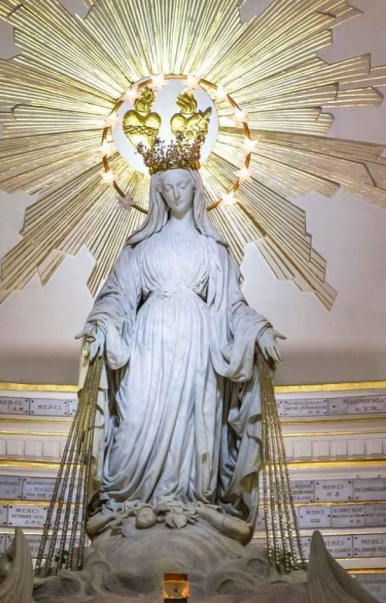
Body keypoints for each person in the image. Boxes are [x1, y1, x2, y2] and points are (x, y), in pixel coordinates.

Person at [78, 150, 282, 534]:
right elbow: (117, 297)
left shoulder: (213, 249)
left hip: (198, 347)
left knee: (196, 420)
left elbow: (232, 305)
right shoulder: (139, 247)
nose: (175, 195)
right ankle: (131, 498)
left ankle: (188, 504)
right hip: (147, 344)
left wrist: (259, 329)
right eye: (166, 188)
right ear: (156, 192)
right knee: (135, 415)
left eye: (182, 186)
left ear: (196, 189)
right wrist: (101, 325)